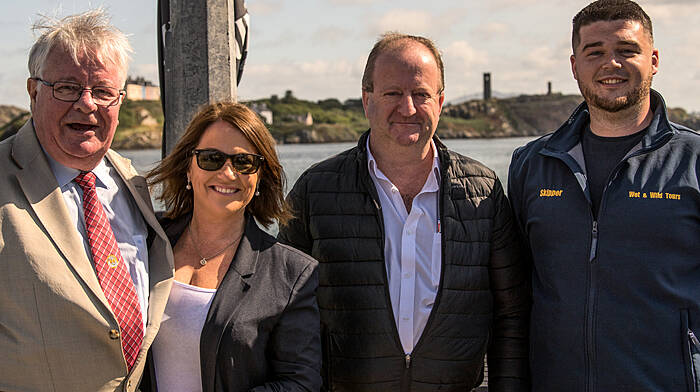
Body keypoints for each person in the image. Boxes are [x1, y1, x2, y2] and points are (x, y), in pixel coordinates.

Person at [279, 33, 530, 391]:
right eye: (392, 93)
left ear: (440, 102)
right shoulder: (315, 191)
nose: (408, 108)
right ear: (367, 100)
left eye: (421, 94)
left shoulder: (483, 193)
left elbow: (511, 316)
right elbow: (285, 312)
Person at [508, 0, 700, 390]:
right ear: (575, 65)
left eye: (627, 51)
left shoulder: (694, 161)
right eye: (594, 52)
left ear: (654, 59)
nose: (610, 64)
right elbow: (517, 288)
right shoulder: (531, 163)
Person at [0, 9, 174, 392]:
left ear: (120, 100)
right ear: (33, 92)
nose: (87, 104)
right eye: (66, 88)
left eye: (103, 91)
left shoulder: (133, 182)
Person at [140, 102, 321, 392]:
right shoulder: (143, 241)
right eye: (211, 159)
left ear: (260, 176)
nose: (227, 173)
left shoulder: (291, 274)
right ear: (189, 167)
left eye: (244, 162)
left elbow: (301, 383)